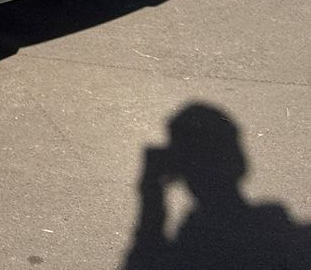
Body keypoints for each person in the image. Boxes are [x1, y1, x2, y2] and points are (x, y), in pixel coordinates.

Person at [123, 103, 308, 269]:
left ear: (177, 170)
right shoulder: (285, 237)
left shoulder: (191, 252)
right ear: (240, 163)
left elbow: (144, 260)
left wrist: (151, 194)